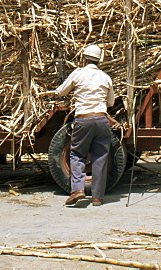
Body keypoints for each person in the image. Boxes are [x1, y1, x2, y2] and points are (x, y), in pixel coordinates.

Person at [53, 44, 115, 207]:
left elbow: (60, 92)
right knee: (100, 157)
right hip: (101, 120)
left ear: (83, 58)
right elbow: (111, 102)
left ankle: (78, 189)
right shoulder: (105, 77)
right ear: (99, 60)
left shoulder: (78, 74)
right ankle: (97, 197)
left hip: (83, 119)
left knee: (77, 154)